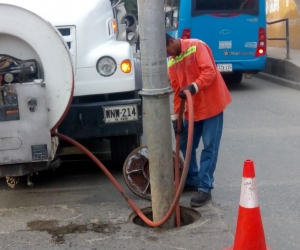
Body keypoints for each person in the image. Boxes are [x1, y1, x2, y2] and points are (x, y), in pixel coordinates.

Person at [166, 33, 232, 207]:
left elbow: (209, 71)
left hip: (211, 105)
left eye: (167, 50)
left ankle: (205, 187)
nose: (168, 55)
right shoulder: (172, 61)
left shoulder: (196, 46)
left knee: (209, 147)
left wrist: (194, 86)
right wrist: (176, 119)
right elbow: (176, 92)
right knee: (185, 144)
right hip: (191, 110)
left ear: (171, 41)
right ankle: (192, 179)